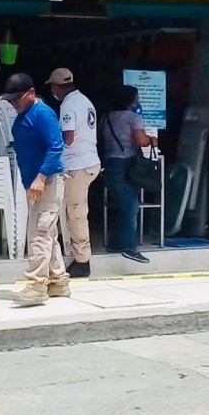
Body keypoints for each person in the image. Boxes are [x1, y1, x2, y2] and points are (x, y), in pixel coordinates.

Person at [3, 73, 67, 306]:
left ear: (31, 93)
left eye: (17, 99)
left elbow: (56, 146)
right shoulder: (26, 114)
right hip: (36, 182)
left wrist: (40, 178)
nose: (13, 104)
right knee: (47, 232)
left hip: (47, 180)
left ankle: (36, 285)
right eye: (10, 101)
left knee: (39, 233)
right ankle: (58, 281)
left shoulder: (42, 114)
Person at [46, 68, 100, 278]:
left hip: (78, 165)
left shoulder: (68, 104)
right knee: (73, 211)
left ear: (56, 87)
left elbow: (68, 138)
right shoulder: (85, 101)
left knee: (75, 214)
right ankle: (74, 253)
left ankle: (82, 261)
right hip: (89, 162)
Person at [99, 85, 157, 264]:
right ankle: (129, 247)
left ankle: (115, 243)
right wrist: (152, 139)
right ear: (131, 100)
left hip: (108, 164)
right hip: (126, 164)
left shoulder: (105, 118)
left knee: (126, 203)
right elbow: (141, 141)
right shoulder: (133, 117)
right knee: (131, 204)